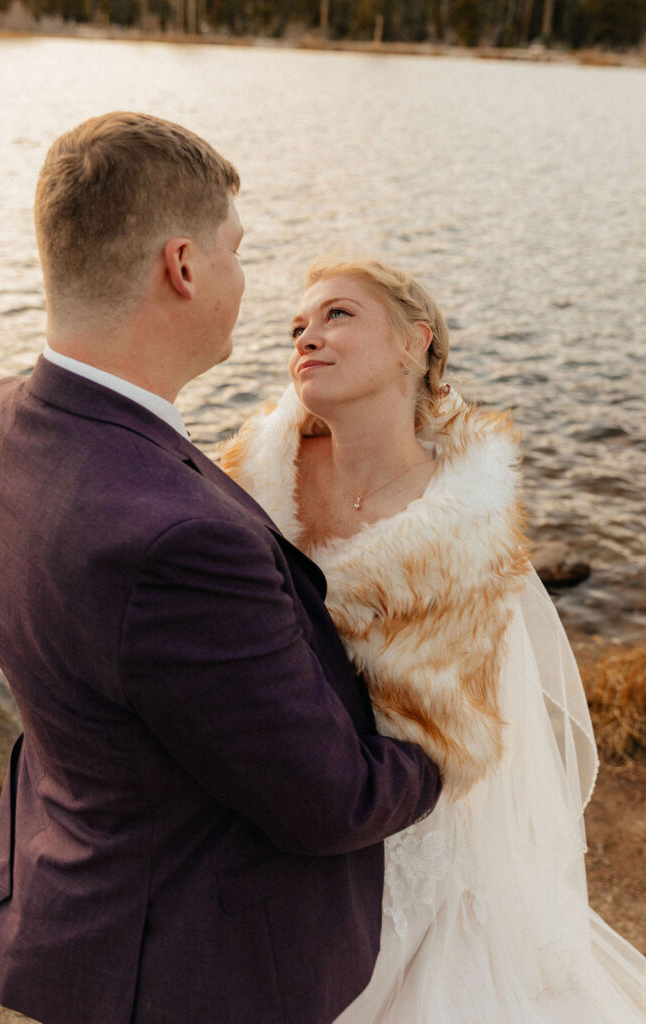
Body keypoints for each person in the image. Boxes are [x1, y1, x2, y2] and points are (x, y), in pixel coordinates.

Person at [0, 116, 442, 1024]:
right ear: (182, 267)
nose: (243, 280)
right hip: (187, 970)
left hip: (70, 894)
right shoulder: (179, 540)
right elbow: (331, 802)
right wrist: (443, 753)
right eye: (235, 251)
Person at [221, 256, 646, 1023]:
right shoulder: (250, 481)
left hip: (404, 837)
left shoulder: (463, 538)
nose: (307, 336)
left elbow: (453, 740)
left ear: (414, 344)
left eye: (338, 315)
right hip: (264, 811)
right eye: (297, 326)